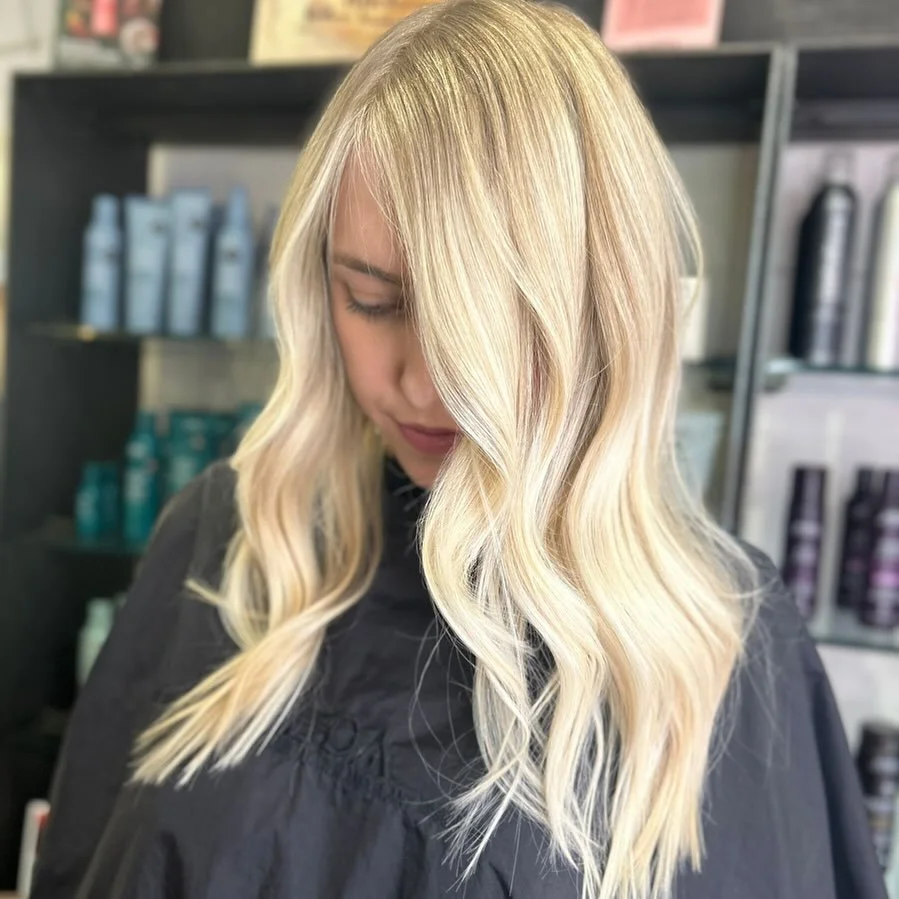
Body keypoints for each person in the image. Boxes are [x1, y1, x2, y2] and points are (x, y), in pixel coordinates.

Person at [31, 1, 885, 897]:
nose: (424, 383)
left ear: (605, 312)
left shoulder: (724, 643)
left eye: (489, 324)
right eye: (374, 301)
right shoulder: (233, 539)